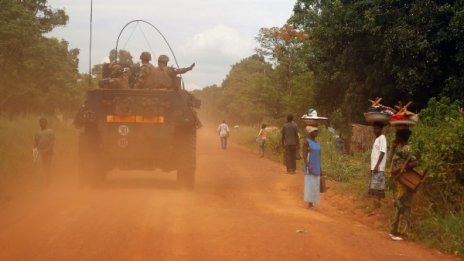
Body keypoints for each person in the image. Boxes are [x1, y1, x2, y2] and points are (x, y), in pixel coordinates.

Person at [389, 128, 419, 241]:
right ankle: (399, 231)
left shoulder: (407, 149)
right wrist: (392, 147)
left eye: (396, 136)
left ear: (400, 138)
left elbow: (415, 162)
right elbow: (391, 160)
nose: (395, 138)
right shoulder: (400, 149)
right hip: (398, 180)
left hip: (403, 180)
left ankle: (396, 231)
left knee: (401, 204)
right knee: (400, 204)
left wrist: (403, 168)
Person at [368, 122, 387, 211]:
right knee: (375, 188)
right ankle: (376, 207)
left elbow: (382, 153)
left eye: (377, 128)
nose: (375, 130)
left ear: (381, 129)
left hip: (378, 168)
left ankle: (377, 208)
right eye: (374, 128)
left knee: (377, 189)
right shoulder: (377, 139)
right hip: (375, 168)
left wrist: (376, 166)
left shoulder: (382, 138)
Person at [303, 126, 322, 209]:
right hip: (310, 166)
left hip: (317, 165)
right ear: (310, 133)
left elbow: (319, 156)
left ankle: (312, 202)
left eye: (317, 131)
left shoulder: (317, 143)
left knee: (315, 185)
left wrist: (320, 168)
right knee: (310, 184)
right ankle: (310, 204)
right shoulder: (307, 142)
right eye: (315, 131)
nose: (316, 133)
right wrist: (308, 165)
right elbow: (304, 154)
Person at [33, 117, 55, 184]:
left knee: (47, 167)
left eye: (44, 122)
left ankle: (48, 181)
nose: (42, 123)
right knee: (40, 168)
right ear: (39, 124)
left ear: (46, 123)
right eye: (41, 122)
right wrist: (36, 153)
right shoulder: (37, 133)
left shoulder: (50, 131)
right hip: (40, 153)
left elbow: (52, 142)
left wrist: (48, 149)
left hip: (48, 152)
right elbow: (36, 143)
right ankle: (41, 182)